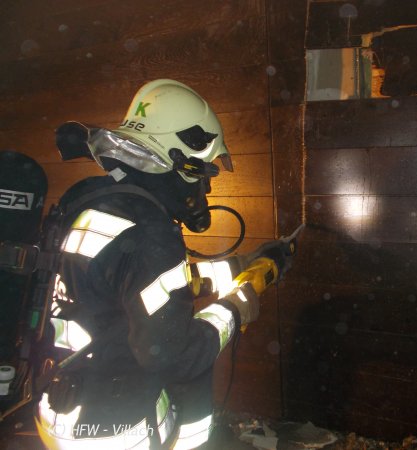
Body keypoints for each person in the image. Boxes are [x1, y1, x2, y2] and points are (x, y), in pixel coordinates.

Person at [34, 79, 295, 450]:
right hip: (115, 431)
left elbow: (139, 287)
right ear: (182, 164)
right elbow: (176, 355)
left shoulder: (92, 201)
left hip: (57, 405)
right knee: (194, 365)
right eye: (204, 174)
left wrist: (244, 264)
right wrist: (236, 307)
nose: (205, 189)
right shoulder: (151, 233)